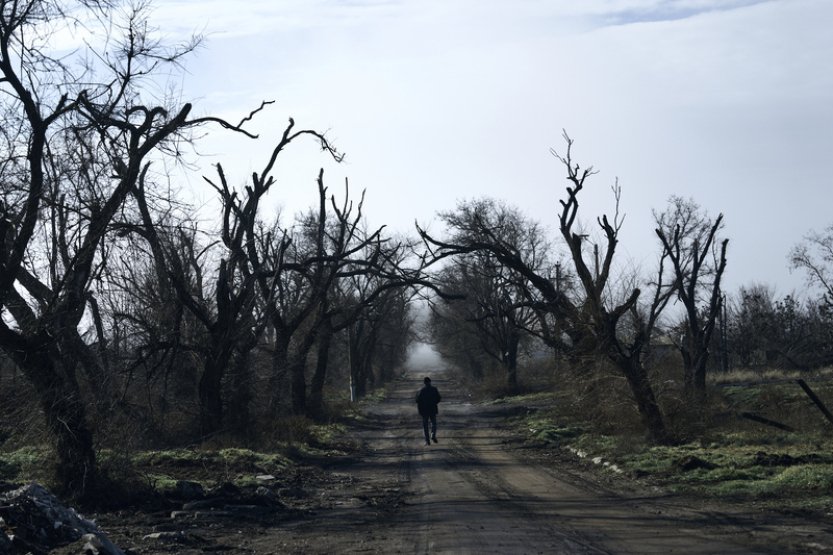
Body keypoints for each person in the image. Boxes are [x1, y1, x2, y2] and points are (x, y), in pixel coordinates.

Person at [415, 376, 441, 445]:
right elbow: (439, 398)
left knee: (425, 426)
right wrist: (434, 402)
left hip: (424, 410)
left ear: (424, 383)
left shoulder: (422, 391)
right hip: (432, 409)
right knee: (434, 424)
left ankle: (427, 441)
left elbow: (417, 400)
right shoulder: (434, 389)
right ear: (430, 382)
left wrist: (420, 410)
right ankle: (433, 435)